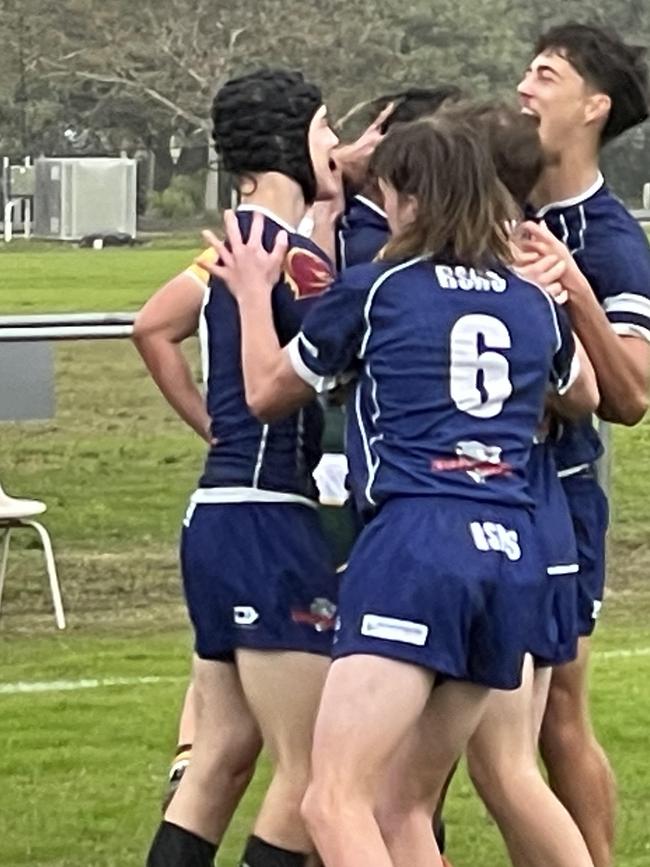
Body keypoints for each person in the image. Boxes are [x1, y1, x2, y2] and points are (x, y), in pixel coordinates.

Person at [205, 115, 595, 867]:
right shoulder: (530, 301)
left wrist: (254, 294)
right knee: (402, 807)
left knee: (331, 798)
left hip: (418, 545)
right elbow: (580, 392)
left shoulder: (378, 286)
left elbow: (263, 393)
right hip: (511, 550)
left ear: (411, 200)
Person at [141, 68, 340, 867]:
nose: (336, 146)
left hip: (217, 514)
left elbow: (154, 330)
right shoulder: (290, 260)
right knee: (315, 767)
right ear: (293, 142)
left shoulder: (236, 246)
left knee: (218, 758)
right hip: (270, 521)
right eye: (327, 130)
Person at [516, 23, 650, 867]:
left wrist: (572, 287)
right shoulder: (495, 191)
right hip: (470, 485)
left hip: (561, 494)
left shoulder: (610, 240)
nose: (524, 87)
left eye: (545, 74)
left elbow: (634, 394)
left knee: (558, 714)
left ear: (593, 106)